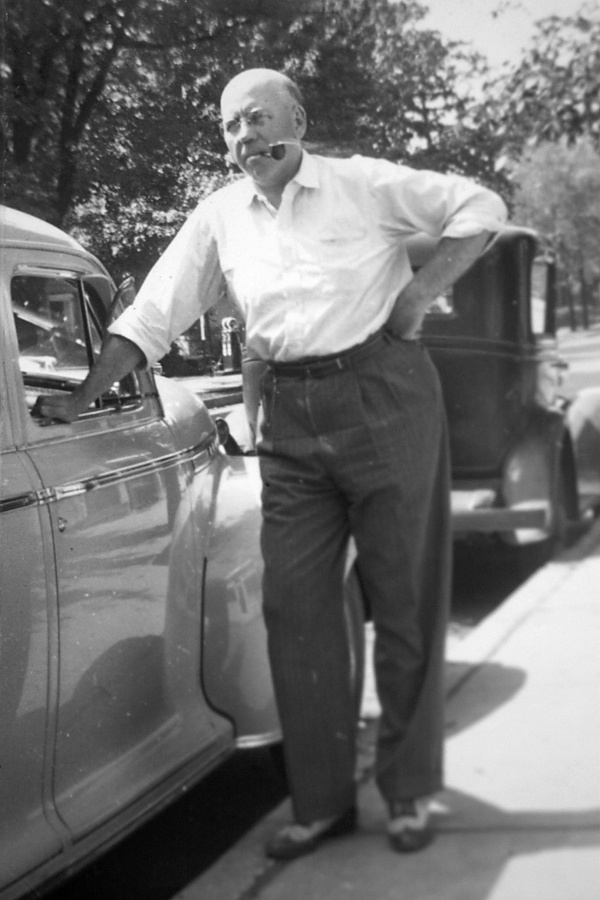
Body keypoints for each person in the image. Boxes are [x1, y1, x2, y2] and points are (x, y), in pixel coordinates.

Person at [35, 67, 507, 859]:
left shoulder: (363, 185)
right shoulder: (220, 215)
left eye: (256, 119)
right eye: (228, 126)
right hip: (289, 417)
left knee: (404, 597)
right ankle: (324, 803)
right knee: (294, 608)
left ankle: (407, 791)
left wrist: (419, 296)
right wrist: (86, 394)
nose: (243, 137)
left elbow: (481, 210)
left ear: (298, 118)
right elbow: (156, 310)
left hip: (384, 393)